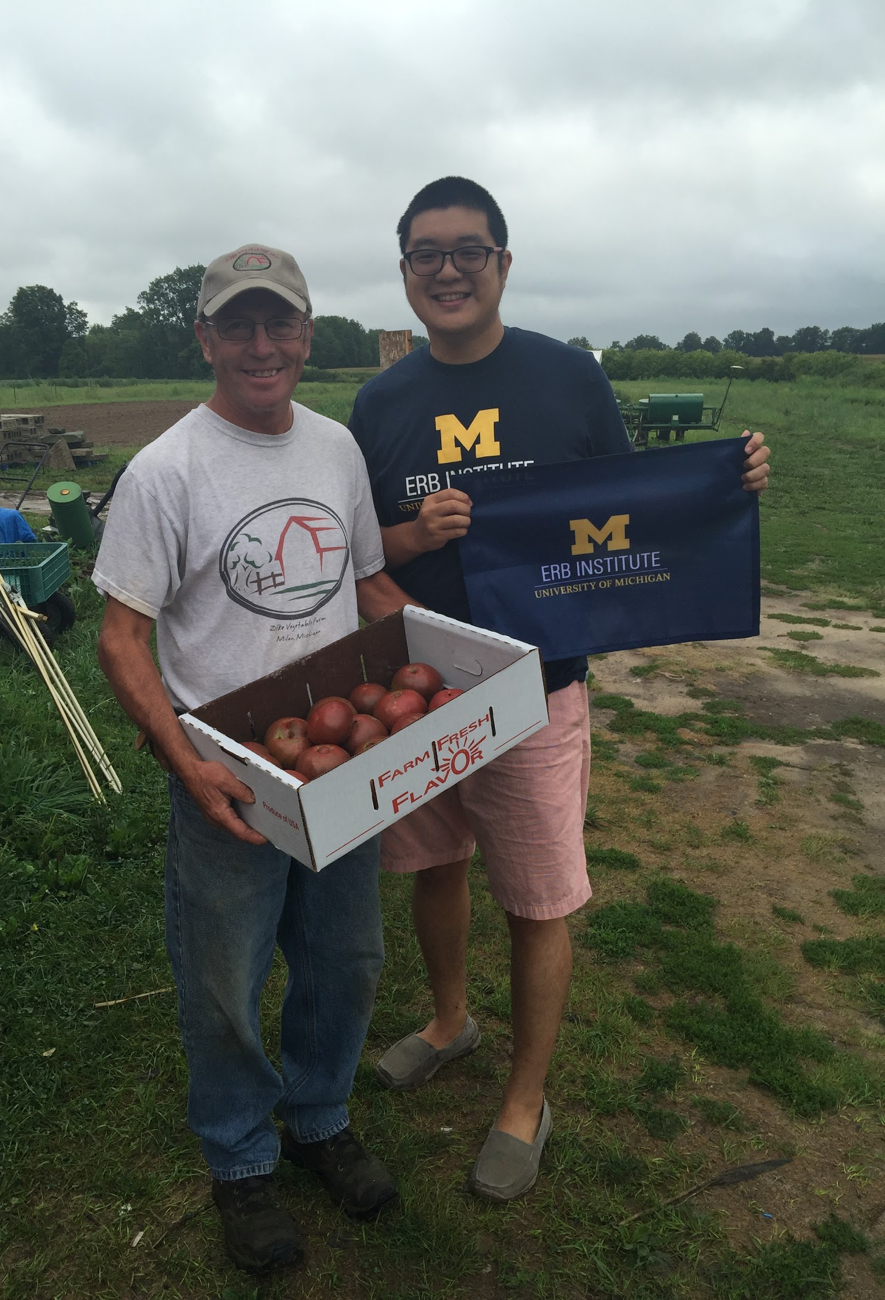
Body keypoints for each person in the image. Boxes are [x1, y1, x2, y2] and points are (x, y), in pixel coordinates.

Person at [349, 177, 771, 1202]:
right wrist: (412, 550)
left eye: (468, 249)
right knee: (434, 866)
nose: (447, 269)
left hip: (540, 687)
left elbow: (630, 513)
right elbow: (366, 552)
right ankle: (450, 1023)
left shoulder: (568, 379)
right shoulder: (379, 402)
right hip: (422, 690)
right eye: (425, 254)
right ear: (404, 268)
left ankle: (525, 1101)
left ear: (503, 259)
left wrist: (726, 480)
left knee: (537, 900)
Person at [93, 244, 413, 1273]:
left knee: (347, 957)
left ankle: (319, 1117)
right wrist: (189, 763)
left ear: (308, 336)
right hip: (229, 772)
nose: (262, 345)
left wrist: (463, 667)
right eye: (240, 325)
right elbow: (120, 638)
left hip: (338, 761)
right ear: (207, 339)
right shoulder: (167, 471)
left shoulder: (334, 450)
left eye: (281, 324)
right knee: (224, 978)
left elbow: (369, 591)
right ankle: (238, 1159)